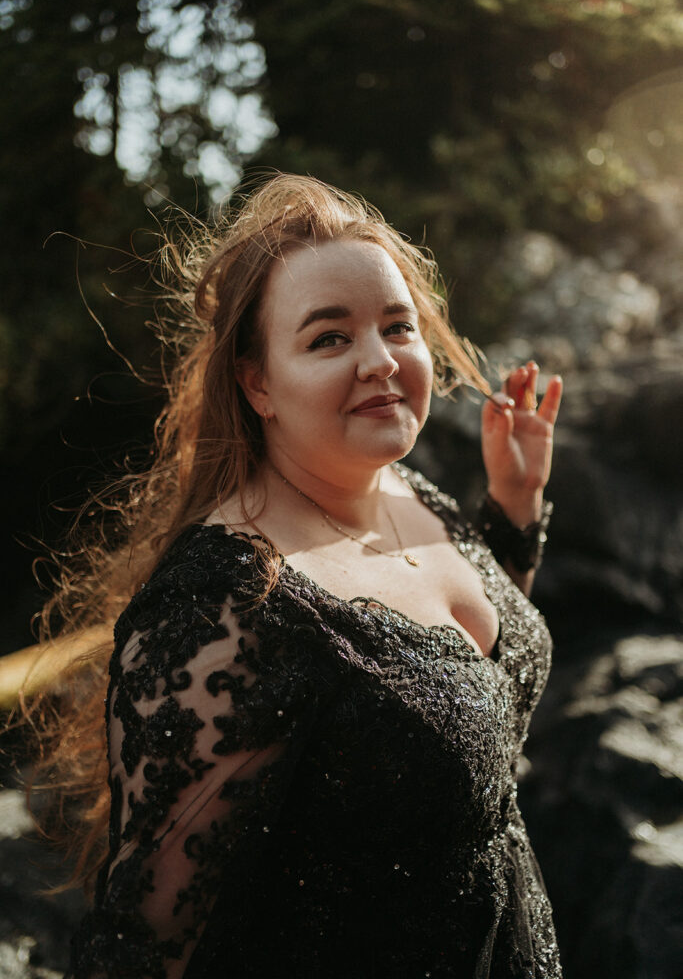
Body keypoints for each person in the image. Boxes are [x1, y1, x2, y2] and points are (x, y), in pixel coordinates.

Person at [35, 173, 563, 977]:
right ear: (256, 383)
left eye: (397, 326)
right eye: (329, 338)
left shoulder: (409, 494)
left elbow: (478, 690)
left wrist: (513, 509)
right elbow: (145, 943)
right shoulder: (228, 605)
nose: (381, 361)